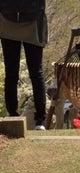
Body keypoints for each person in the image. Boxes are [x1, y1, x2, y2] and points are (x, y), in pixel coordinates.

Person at [0, 0, 48, 130]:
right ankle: (38, 120)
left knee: (13, 72)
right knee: (35, 73)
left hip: (9, 18)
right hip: (26, 18)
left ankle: (15, 116)